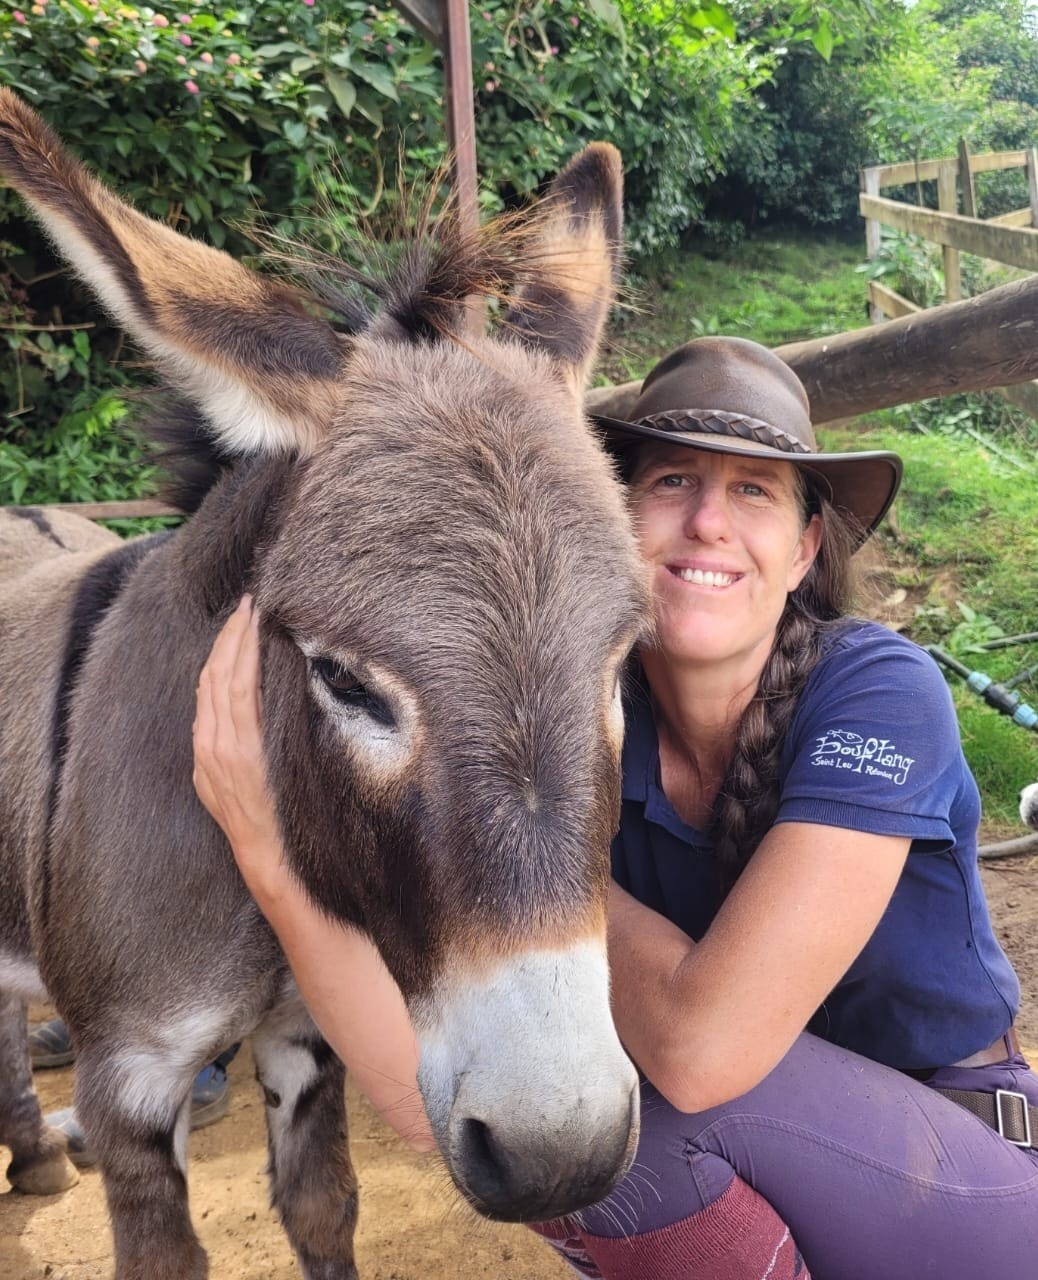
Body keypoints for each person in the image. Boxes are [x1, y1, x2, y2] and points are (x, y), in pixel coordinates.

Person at [192, 337, 1038, 1280]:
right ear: (605, 516)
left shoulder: (883, 691)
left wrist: (537, 859)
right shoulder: (579, 731)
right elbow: (423, 1101)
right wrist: (267, 853)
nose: (710, 520)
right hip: (765, 1175)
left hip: (966, 1166)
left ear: (804, 552)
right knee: (552, 1135)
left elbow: (701, 1050)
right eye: (672, 481)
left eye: (756, 490)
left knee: (644, 1127)